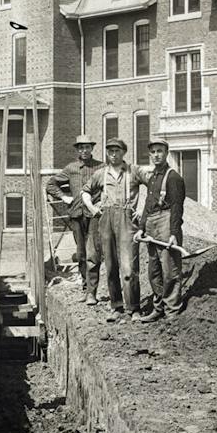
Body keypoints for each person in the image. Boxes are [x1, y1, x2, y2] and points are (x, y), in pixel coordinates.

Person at [84, 137, 142, 321]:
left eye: (117, 151)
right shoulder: (101, 174)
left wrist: (141, 209)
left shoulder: (134, 171)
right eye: (110, 151)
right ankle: (116, 306)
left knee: (129, 267)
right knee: (111, 266)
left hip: (126, 218)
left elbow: (152, 186)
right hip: (106, 218)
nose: (113, 154)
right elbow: (85, 192)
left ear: (123, 152)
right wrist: (93, 209)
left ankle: (134, 308)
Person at [46, 135, 103, 303]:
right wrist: (64, 197)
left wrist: (101, 203)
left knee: (94, 252)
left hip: (94, 215)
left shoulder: (101, 167)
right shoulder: (71, 168)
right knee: (81, 253)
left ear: (92, 148)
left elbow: (109, 185)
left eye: (86, 147)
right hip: (76, 215)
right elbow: (50, 184)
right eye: (80, 148)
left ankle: (94, 291)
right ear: (77, 150)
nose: (84, 150)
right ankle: (86, 289)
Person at [135, 138, 187, 321]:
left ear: (166, 153)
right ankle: (158, 308)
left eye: (160, 151)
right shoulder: (152, 177)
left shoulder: (173, 177)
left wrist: (173, 233)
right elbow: (147, 205)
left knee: (170, 269)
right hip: (151, 225)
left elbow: (177, 208)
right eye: (153, 152)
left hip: (166, 224)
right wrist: (141, 228)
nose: (156, 155)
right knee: (154, 270)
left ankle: (172, 311)